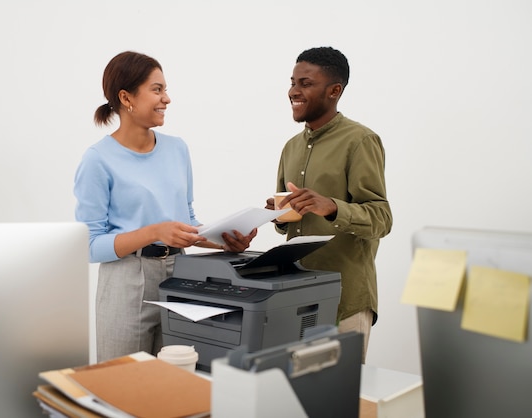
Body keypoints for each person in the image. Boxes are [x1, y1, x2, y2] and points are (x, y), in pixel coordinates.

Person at [74, 51, 257, 362]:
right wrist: (153, 232)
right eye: (157, 89)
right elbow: (89, 246)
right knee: (125, 385)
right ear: (126, 97)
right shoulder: (98, 159)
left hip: (180, 275)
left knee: (177, 377)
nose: (167, 98)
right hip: (126, 280)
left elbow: (186, 220)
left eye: (165, 89)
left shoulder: (177, 149)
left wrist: (221, 240)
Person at [265, 46, 392, 363]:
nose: (293, 91)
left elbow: (381, 218)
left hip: (344, 298)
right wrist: (280, 215)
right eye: (293, 82)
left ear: (334, 90)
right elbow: (290, 226)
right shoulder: (290, 148)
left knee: (339, 400)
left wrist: (332, 207)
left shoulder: (361, 141)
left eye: (305, 83)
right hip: (297, 296)